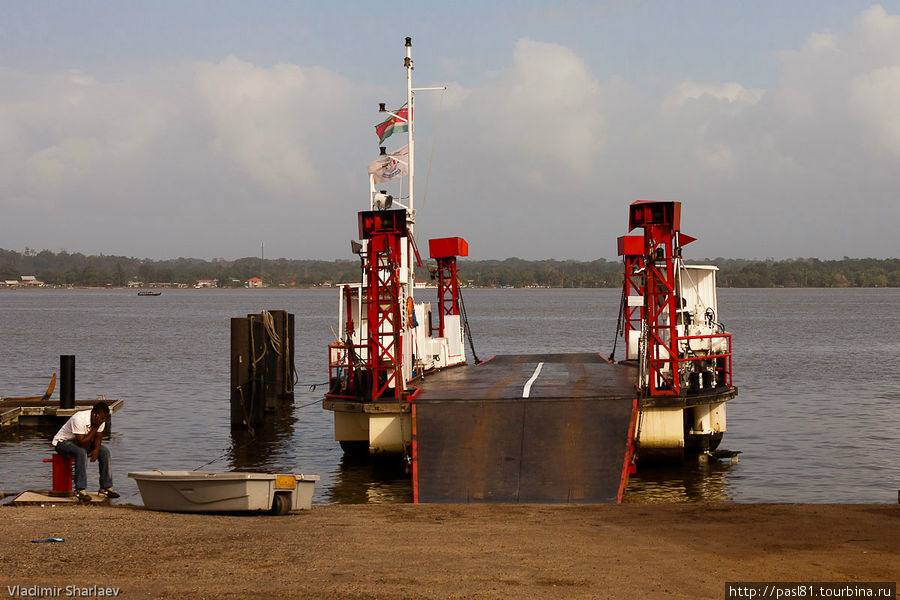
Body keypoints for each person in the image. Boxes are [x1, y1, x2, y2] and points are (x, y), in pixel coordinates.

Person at [51, 401, 119, 501]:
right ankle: (80, 490)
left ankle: (105, 488)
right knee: (81, 452)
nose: (103, 421)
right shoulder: (79, 418)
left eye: (105, 419)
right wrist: (95, 427)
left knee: (105, 452)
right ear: (95, 415)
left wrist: (96, 450)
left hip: (80, 442)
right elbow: (82, 443)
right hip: (62, 443)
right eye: (102, 418)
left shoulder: (100, 420)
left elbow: (98, 438)